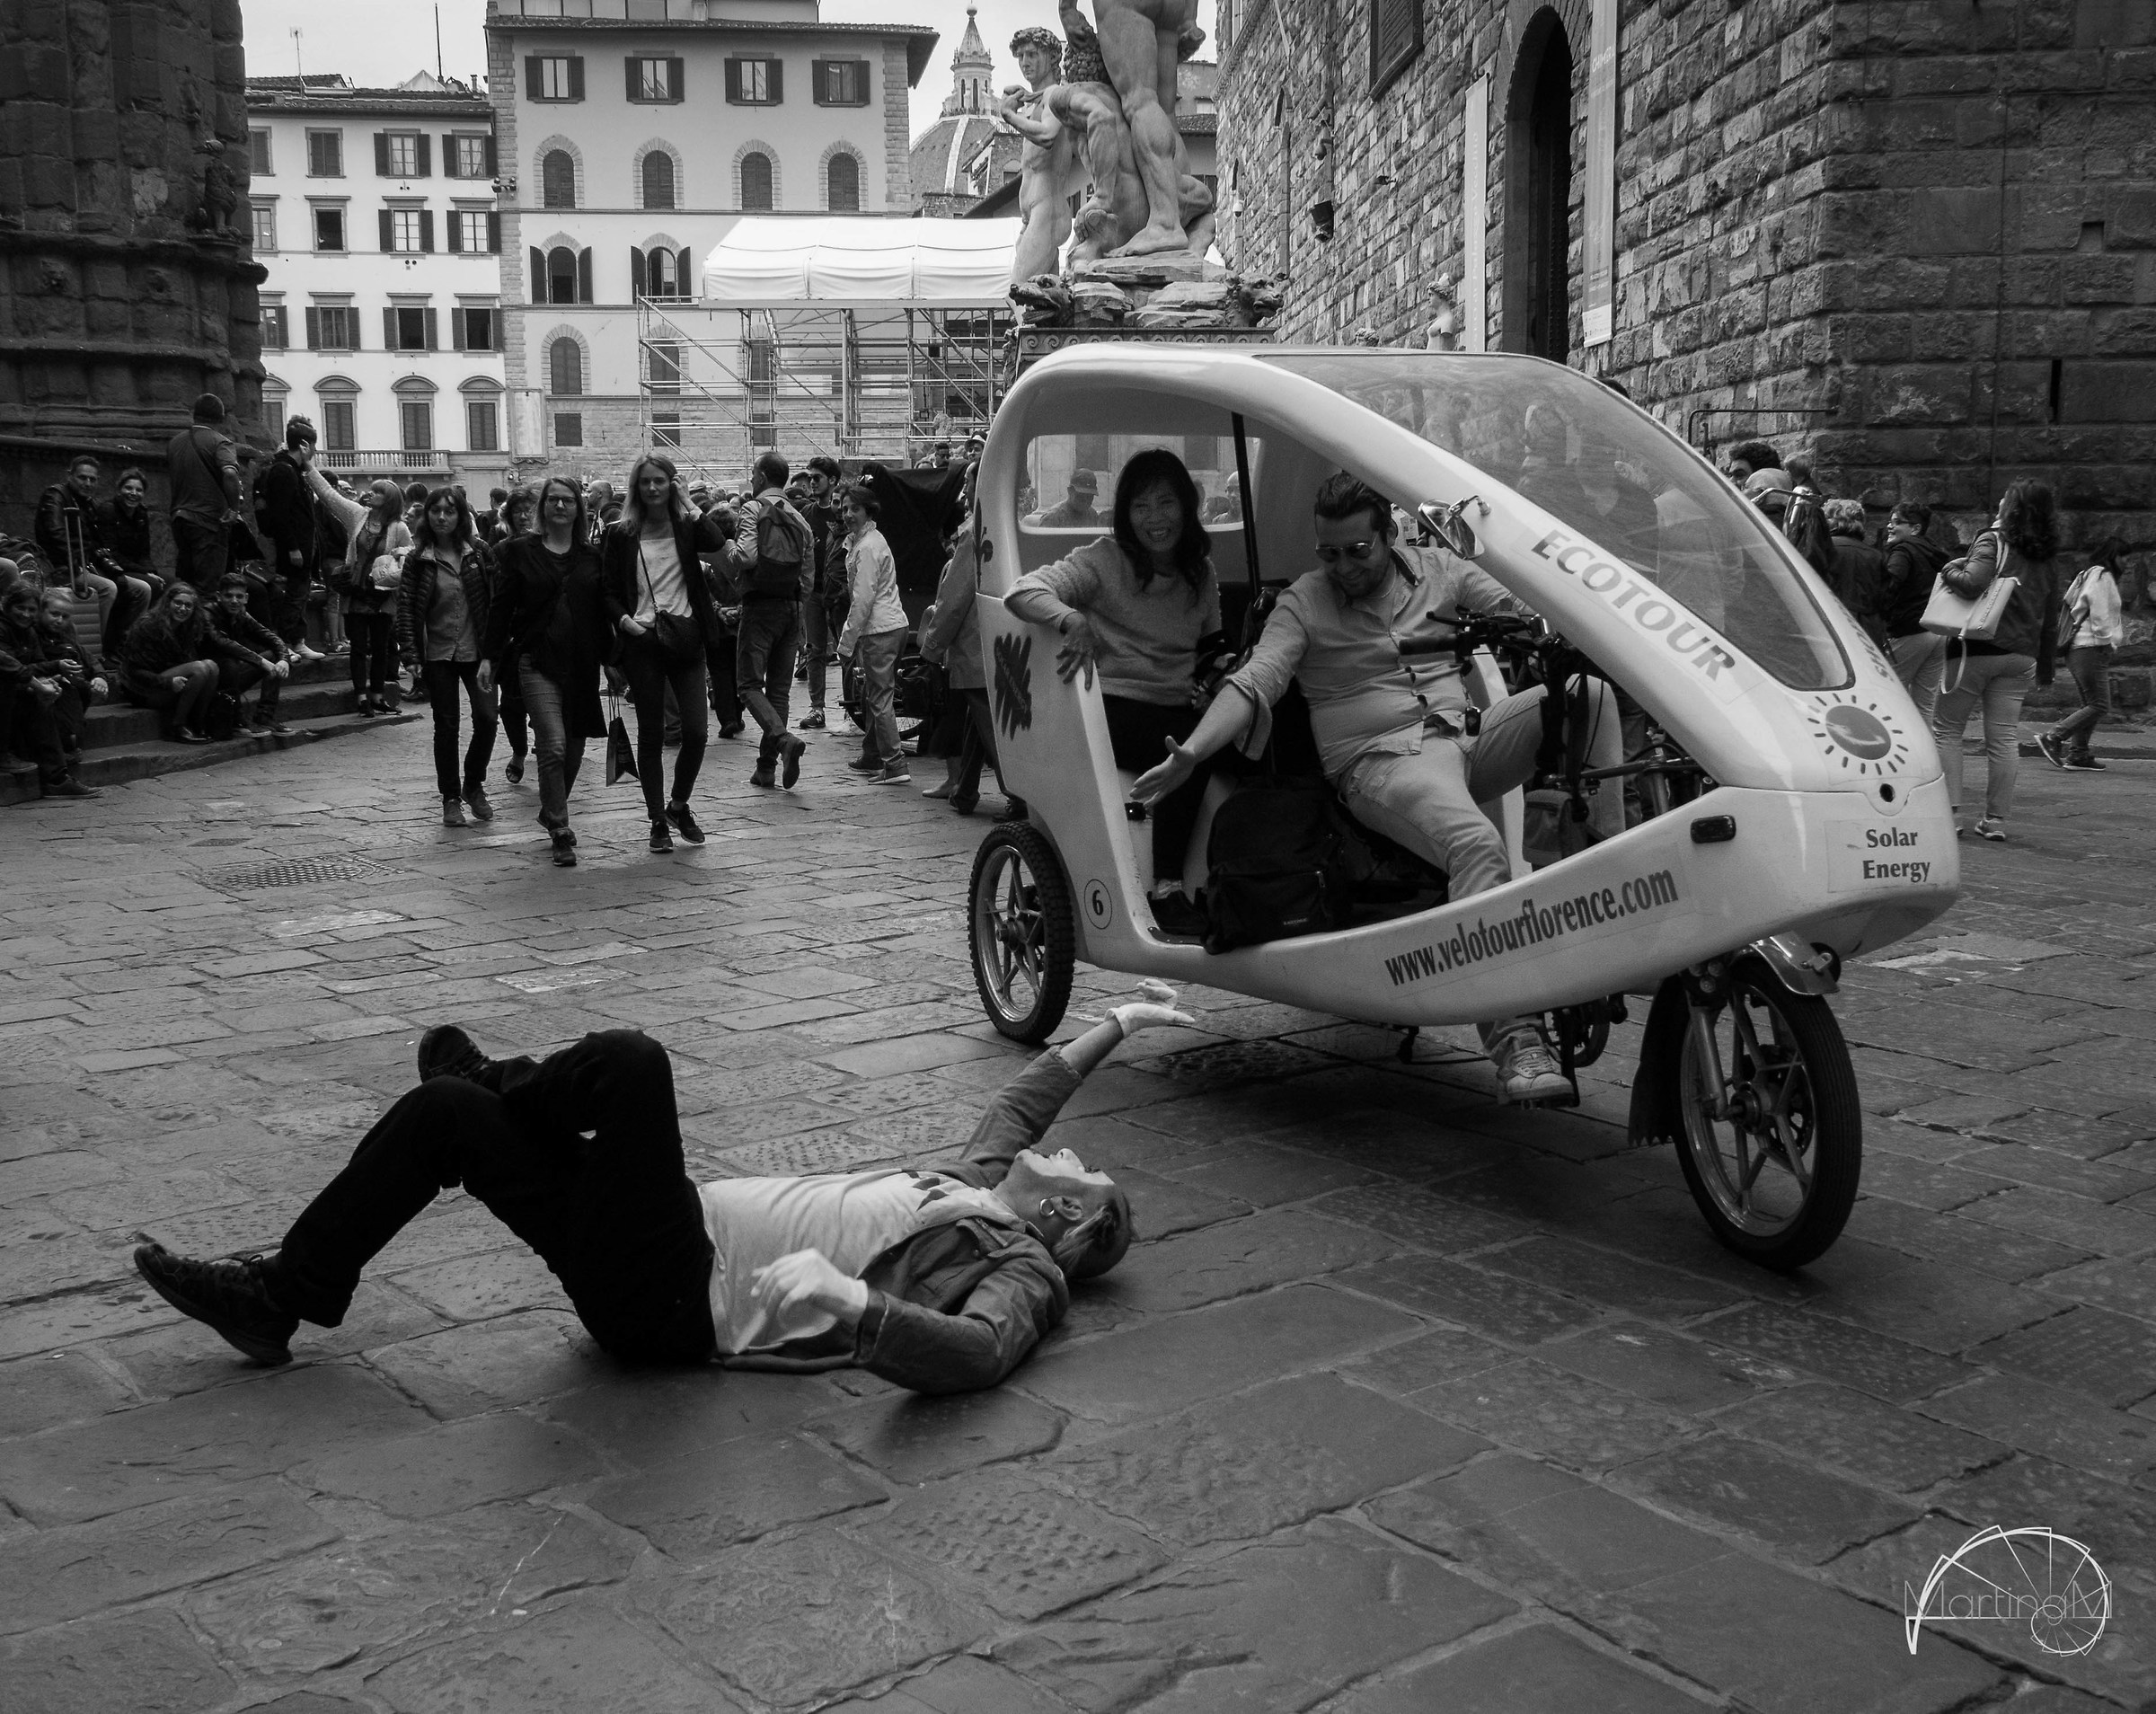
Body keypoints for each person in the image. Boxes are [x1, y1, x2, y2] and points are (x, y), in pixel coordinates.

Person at [131, 994, 1188, 1388]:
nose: (1071, 1159)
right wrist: (1123, 1021)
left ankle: (492, 1080)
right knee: (444, 1125)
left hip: (682, 1296)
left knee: (634, 1064)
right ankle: (282, 1298)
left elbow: (981, 1352)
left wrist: (861, 1308)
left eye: (1087, 1176)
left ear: (1076, 1218)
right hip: (653, 1239)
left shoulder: (1023, 1267)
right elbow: (1024, 1106)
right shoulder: (979, 1181)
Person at [1134, 473, 1605, 1105]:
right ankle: (1517, 1041)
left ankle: (1610, 863)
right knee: (1477, 846)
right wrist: (1193, 752)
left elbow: (1527, 611)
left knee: (1586, 696)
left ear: (1388, 535)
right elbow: (1257, 680)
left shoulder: (1440, 567)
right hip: (1382, 761)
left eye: (1358, 550)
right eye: (1329, 552)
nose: (1343, 566)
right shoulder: (1305, 600)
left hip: (1464, 735)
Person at [1007, 449, 1223, 932]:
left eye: (1166, 503)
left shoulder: (1200, 572)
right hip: (1112, 709)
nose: (1155, 519)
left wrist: (1216, 681)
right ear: (1124, 513)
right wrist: (1072, 618)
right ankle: (1166, 889)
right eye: (1140, 506)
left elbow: (1213, 647)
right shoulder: (1105, 559)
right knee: (1191, 750)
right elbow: (1022, 592)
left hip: (1177, 707)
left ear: (1187, 506)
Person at [602, 454, 729, 852]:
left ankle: (678, 804)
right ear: (636, 488)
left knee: (696, 732)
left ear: (672, 484)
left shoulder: (685, 525)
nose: (653, 488)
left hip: (687, 636)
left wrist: (689, 503)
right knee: (653, 734)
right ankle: (657, 819)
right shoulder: (621, 533)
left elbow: (716, 542)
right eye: (646, 482)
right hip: (643, 640)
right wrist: (626, 623)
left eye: (661, 481)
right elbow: (606, 591)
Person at [485, 476, 607, 867]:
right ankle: (559, 827)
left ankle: (551, 807)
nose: (559, 507)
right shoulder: (520, 551)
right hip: (535, 659)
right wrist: (488, 657)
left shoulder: (592, 557)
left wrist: (613, 661)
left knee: (573, 749)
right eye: (553, 501)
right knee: (552, 744)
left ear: (578, 508)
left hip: (582, 662)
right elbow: (501, 607)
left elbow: (601, 612)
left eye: (567, 501)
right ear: (543, 508)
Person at [1931, 479, 2062, 842]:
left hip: (1977, 648)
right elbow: (2051, 618)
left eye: (2006, 495)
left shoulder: (1992, 539)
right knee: (2003, 740)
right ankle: (1994, 821)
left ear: (2013, 508)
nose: (2000, 498)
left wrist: (1947, 569)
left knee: (1947, 730)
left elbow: (1971, 584)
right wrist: (2047, 669)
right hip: (2021, 656)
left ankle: (1950, 815)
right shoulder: (2047, 556)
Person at [923, 485, 1025, 821]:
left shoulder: (974, 531)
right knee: (979, 721)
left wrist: (933, 646)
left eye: (968, 484)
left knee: (990, 724)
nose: (964, 493)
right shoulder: (1016, 521)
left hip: (976, 645)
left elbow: (954, 598)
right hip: (1007, 638)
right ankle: (964, 791)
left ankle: (1020, 797)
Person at [397, 486, 498, 827]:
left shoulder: (479, 552)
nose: (442, 517)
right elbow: (407, 607)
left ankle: (474, 783)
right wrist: (410, 653)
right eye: (436, 511)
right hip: (437, 653)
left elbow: (496, 600)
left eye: (449, 511)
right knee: (447, 726)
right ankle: (450, 797)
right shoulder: (418, 557)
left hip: (477, 652)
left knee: (486, 719)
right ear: (427, 515)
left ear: (461, 515)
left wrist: (496, 650)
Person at [723, 451, 815, 791]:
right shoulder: (800, 518)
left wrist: (730, 547)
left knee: (748, 685)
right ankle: (766, 769)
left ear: (761, 477)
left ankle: (782, 739)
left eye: (752, 474)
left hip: (760, 607)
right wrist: (798, 614)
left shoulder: (752, 509)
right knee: (780, 691)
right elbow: (807, 578)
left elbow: (746, 557)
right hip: (791, 607)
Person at [303, 473, 409, 717]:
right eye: (372, 490)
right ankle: (361, 697)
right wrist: (308, 468)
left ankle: (379, 696)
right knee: (359, 646)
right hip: (356, 591)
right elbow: (329, 496)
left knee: (381, 647)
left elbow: (410, 553)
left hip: (382, 595)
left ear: (390, 499)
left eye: (378, 491)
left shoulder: (399, 528)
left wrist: (399, 553)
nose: (372, 494)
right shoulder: (358, 516)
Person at [835, 483, 911, 785]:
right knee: (876, 695)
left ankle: (895, 764)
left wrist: (845, 642)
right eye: (844, 509)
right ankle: (874, 755)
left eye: (854, 508)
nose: (847, 514)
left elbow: (863, 599)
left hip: (879, 628)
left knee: (880, 699)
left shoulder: (866, 547)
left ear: (868, 510)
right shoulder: (868, 541)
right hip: (891, 624)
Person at [35, 454, 146, 659]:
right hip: (63, 566)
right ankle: (96, 649)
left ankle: (123, 647)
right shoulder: (57, 496)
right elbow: (56, 534)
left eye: (92, 479)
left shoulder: (89, 504)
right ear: (70, 476)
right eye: (82, 477)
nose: (87, 483)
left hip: (88, 564)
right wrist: (79, 564)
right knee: (108, 588)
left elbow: (97, 542)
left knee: (142, 589)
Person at [0, 579, 99, 797]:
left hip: (20, 689)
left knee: (53, 693)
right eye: (20, 608)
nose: (26, 615)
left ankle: (57, 777)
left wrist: (49, 679)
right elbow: (8, 664)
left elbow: (35, 664)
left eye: (31, 610)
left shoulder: (28, 633)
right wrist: (39, 680)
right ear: (7, 605)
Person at [118, 580, 243, 744]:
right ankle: (176, 727)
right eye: (178, 603)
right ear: (167, 603)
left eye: (188, 606)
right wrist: (168, 682)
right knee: (199, 668)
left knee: (211, 666)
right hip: (143, 688)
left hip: (172, 682)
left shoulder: (189, 627)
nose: (183, 609)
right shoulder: (148, 626)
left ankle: (197, 722)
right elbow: (135, 671)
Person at [2037, 543, 2123, 774]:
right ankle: (2053, 737)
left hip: (2080, 649)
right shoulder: (2101, 575)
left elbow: (2069, 601)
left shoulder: (2086, 574)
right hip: (2090, 647)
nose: (2127, 563)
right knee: (2100, 704)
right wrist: (2108, 640)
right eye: (2125, 557)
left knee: (2090, 704)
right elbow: (2100, 612)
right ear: (2114, 556)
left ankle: (2079, 754)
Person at [253, 419, 329, 661]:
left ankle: (297, 641)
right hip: (294, 547)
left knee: (300, 593)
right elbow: (282, 515)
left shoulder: (292, 470)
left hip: (300, 545)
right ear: (305, 445)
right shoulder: (285, 471)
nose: (315, 452)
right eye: (313, 446)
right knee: (294, 594)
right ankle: (288, 642)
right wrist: (294, 547)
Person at [1879, 501, 1951, 721]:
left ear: (1915, 528)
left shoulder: (1903, 550)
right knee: (1924, 706)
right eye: (1890, 521)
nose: (1890, 527)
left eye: (1897, 522)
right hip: (1937, 631)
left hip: (1908, 629)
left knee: (1887, 697)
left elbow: (1890, 583)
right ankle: (1925, 754)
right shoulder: (1936, 553)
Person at [166, 393, 244, 592]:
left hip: (179, 518)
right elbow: (229, 473)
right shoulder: (221, 442)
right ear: (221, 418)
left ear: (194, 414)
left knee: (185, 584)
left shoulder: (175, 443)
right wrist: (234, 508)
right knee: (207, 588)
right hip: (208, 521)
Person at [205, 573, 293, 737]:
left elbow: (271, 638)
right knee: (229, 663)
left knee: (274, 656)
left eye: (239, 597)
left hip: (232, 678)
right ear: (219, 596)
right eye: (229, 596)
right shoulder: (208, 613)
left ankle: (264, 716)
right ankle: (237, 720)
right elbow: (222, 643)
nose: (234, 601)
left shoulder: (242, 615)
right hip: (210, 682)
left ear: (246, 598)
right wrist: (260, 661)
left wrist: (284, 660)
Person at [492, 487, 539, 782]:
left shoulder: (553, 548)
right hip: (511, 640)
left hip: (545, 637)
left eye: (529, 510)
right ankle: (519, 751)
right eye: (518, 511)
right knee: (511, 704)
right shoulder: (501, 551)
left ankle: (548, 747)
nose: (523, 516)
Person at [795, 455, 844, 732]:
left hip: (840, 594)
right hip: (813, 592)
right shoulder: (806, 514)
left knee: (847, 648)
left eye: (817, 478)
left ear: (832, 481)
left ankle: (854, 702)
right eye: (810, 478)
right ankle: (817, 709)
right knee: (814, 650)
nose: (811, 482)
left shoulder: (843, 512)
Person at [37, 583, 105, 760]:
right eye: (55, 614)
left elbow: (87, 656)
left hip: (74, 681)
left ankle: (72, 739)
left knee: (80, 687)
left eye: (65, 616)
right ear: (42, 611)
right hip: (47, 680)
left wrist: (100, 677)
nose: (60, 620)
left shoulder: (68, 632)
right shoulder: (34, 633)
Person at [1821, 499, 1886, 647]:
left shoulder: (1824, 549)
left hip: (1833, 624)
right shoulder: (1876, 555)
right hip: (1869, 630)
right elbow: (1885, 598)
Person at [1036, 469, 1100, 528]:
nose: (1085, 500)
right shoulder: (1054, 518)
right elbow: (1041, 540)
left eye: (1090, 496)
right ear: (1070, 491)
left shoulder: (1092, 516)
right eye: (1081, 495)